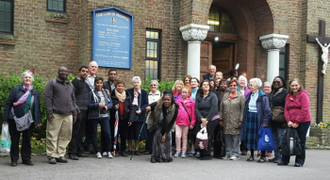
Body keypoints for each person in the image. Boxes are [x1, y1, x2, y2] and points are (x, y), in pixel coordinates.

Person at [2, 70, 42, 166]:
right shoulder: (16, 90)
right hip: (14, 120)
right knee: (15, 140)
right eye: (26, 77)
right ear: (22, 79)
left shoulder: (34, 92)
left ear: (32, 80)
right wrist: (5, 119)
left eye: (29, 77)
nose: (28, 79)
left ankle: (26, 159)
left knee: (27, 140)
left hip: (29, 120)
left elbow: (37, 107)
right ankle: (14, 160)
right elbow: (8, 104)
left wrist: (38, 120)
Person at [45, 67, 77, 164]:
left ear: (68, 73)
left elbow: (73, 99)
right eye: (62, 71)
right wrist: (49, 112)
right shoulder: (52, 83)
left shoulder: (71, 85)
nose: (64, 72)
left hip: (68, 114)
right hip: (55, 114)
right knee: (52, 134)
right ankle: (51, 155)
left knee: (66, 135)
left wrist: (74, 113)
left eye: (66, 71)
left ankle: (60, 154)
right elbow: (48, 98)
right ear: (58, 72)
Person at [278, 78, 311, 167]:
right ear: (290, 86)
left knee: (300, 141)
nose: (294, 87)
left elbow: (304, 110)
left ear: (300, 86)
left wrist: (297, 121)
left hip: (303, 121)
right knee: (287, 140)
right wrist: (288, 120)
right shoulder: (288, 96)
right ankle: (284, 160)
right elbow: (286, 110)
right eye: (292, 85)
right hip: (291, 122)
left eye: (296, 85)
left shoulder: (303, 95)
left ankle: (299, 161)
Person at [241, 78, 271, 163]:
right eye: (249, 84)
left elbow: (267, 110)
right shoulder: (249, 95)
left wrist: (265, 121)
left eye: (251, 85)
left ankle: (263, 156)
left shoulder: (263, 96)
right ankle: (251, 155)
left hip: (259, 117)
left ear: (256, 86)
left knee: (261, 137)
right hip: (250, 116)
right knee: (251, 137)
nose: (249, 86)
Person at [146, 90, 179, 163]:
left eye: (168, 100)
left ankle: (166, 157)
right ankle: (154, 156)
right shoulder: (158, 104)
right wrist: (148, 107)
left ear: (171, 100)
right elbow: (151, 105)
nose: (166, 101)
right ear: (162, 100)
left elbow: (171, 122)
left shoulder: (175, 108)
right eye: (165, 100)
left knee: (167, 139)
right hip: (158, 124)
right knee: (156, 139)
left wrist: (165, 134)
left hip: (168, 126)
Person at [88, 77, 113, 159]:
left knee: (107, 134)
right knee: (94, 134)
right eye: (97, 82)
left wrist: (107, 107)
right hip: (94, 116)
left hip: (104, 115)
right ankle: (97, 151)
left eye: (100, 83)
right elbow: (88, 105)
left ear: (102, 84)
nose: (99, 84)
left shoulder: (105, 92)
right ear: (95, 83)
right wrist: (97, 105)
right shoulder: (91, 93)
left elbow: (111, 103)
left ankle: (109, 151)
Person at [219, 79, 245, 160]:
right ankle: (228, 153)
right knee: (227, 136)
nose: (232, 87)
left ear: (237, 86)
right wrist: (221, 118)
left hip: (236, 119)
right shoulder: (226, 95)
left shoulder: (240, 96)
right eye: (231, 85)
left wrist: (241, 120)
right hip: (226, 119)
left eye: (234, 85)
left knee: (235, 137)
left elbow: (242, 109)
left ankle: (235, 153)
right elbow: (221, 108)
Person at [68, 66, 90, 160]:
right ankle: (72, 152)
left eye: (86, 71)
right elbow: (71, 97)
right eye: (83, 71)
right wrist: (76, 108)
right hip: (77, 111)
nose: (85, 73)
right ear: (79, 72)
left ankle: (79, 150)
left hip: (85, 111)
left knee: (81, 132)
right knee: (75, 132)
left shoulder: (86, 83)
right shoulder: (75, 82)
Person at [195, 79, 219, 160]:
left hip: (212, 119)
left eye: (207, 85)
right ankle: (202, 152)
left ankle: (207, 154)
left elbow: (214, 109)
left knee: (207, 135)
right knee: (200, 135)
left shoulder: (213, 96)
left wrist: (207, 120)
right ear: (201, 86)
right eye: (204, 84)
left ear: (210, 87)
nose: (205, 86)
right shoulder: (198, 96)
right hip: (201, 119)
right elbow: (196, 109)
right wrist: (201, 118)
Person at [110, 80, 135, 157]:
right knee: (115, 135)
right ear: (115, 87)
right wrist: (114, 108)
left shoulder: (127, 96)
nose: (120, 87)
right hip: (115, 119)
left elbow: (131, 108)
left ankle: (123, 150)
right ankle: (116, 150)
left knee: (124, 135)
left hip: (125, 118)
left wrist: (131, 119)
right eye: (119, 86)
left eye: (122, 86)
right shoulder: (112, 96)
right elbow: (109, 106)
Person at [268, 76, 288, 163]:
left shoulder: (285, 93)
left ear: (282, 83)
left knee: (281, 138)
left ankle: (282, 157)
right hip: (273, 120)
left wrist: (286, 121)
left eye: (278, 82)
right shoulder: (272, 93)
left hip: (281, 120)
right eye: (274, 82)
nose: (276, 83)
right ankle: (276, 155)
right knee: (275, 139)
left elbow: (287, 108)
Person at [127, 76, 149, 155]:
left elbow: (146, 103)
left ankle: (136, 149)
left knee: (137, 132)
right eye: (135, 82)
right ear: (133, 83)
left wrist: (141, 110)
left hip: (140, 114)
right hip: (131, 113)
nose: (136, 84)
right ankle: (129, 149)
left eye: (137, 82)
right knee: (130, 131)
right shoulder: (129, 91)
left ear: (140, 83)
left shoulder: (144, 93)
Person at [174, 86, 196, 158]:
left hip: (186, 122)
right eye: (183, 92)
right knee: (177, 136)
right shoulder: (178, 101)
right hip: (178, 121)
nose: (183, 94)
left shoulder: (192, 102)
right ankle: (178, 150)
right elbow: (175, 111)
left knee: (184, 137)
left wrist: (192, 122)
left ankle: (184, 151)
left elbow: (193, 113)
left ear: (189, 93)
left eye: (185, 92)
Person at [102, 69, 117, 156]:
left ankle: (112, 149)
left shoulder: (118, 84)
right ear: (108, 75)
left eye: (114, 74)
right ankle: (104, 149)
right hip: (107, 109)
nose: (112, 75)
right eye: (111, 74)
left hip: (115, 110)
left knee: (113, 129)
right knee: (106, 131)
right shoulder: (104, 85)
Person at [145, 80, 162, 155]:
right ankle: (149, 149)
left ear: (157, 86)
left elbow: (161, 104)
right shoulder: (147, 95)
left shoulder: (161, 95)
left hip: (158, 116)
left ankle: (157, 149)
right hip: (149, 116)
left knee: (157, 133)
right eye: (151, 85)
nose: (153, 86)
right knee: (149, 133)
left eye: (154, 85)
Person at [84, 61, 98, 153]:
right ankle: (83, 145)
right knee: (85, 127)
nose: (93, 68)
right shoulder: (85, 78)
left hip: (95, 106)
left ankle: (89, 145)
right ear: (89, 68)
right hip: (85, 104)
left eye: (95, 67)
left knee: (93, 128)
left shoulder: (99, 79)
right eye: (92, 67)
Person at [213, 79, 229, 159]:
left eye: (225, 84)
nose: (223, 85)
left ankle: (225, 152)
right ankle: (217, 152)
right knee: (217, 135)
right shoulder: (215, 94)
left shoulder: (229, 94)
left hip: (227, 117)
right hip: (216, 116)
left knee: (225, 135)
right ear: (219, 85)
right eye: (222, 84)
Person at [188, 77, 199, 156]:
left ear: (198, 83)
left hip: (197, 113)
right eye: (192, 82)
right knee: (191, 133)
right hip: (189, 113)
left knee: (197, 132)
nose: (193, 83)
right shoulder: (188, 91)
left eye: (195, 82)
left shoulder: (199, 91)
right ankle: (192, 147)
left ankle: (198, 148)